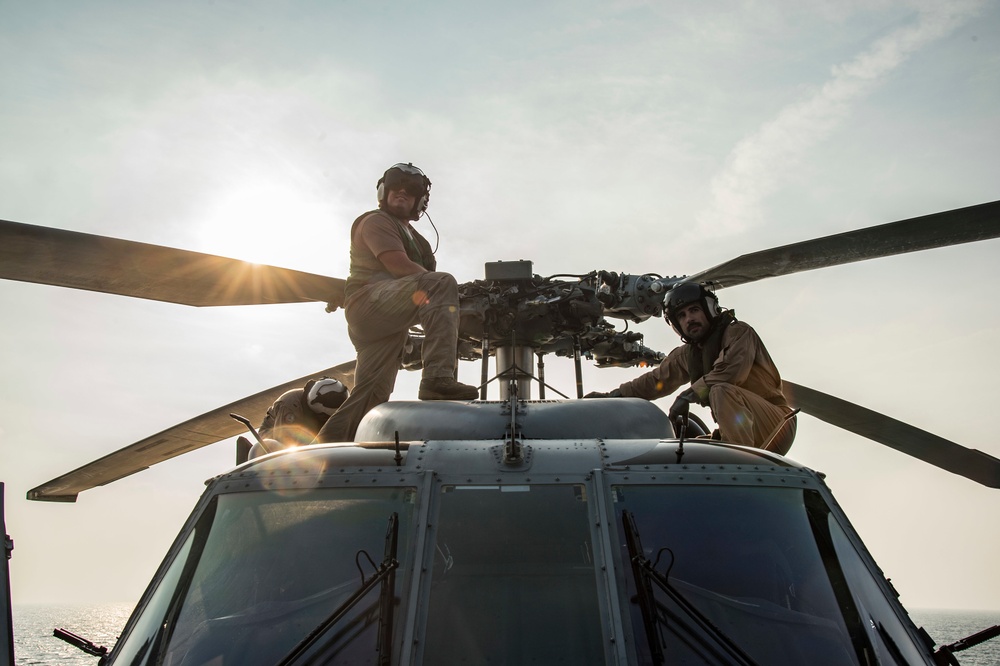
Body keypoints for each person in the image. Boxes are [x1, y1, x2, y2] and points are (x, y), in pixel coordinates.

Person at [313, 163, 477, 443]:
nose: (402, 192)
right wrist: (451, 295)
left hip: (388, 322)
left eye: (411, 190)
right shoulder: (376, 221)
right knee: (441, 282)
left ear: (420, 201)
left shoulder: (421, 243)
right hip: (368, 304)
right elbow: (400, 267)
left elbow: (424, 294)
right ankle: (436, 379)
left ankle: (323, 452)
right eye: (396, 187)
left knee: (371, 397)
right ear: (383, 192)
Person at [586, 282, 796, 454]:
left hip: (776, 424)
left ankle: (742, 465)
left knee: (720, 389)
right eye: (682, 316)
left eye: (694, 310)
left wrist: (688, 396)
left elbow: (730, 373)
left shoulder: (739, 333)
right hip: (742, 430)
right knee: (682, 452)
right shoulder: (688, 354)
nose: (690, 319)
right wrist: (613, 396)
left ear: (710, 309)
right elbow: (655, 382)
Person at [249, 377, 350, 458]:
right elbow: (284, 441)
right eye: (324, 416)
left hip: (307, 435)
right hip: (274, 437)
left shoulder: (329, 404)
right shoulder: (290, 406)